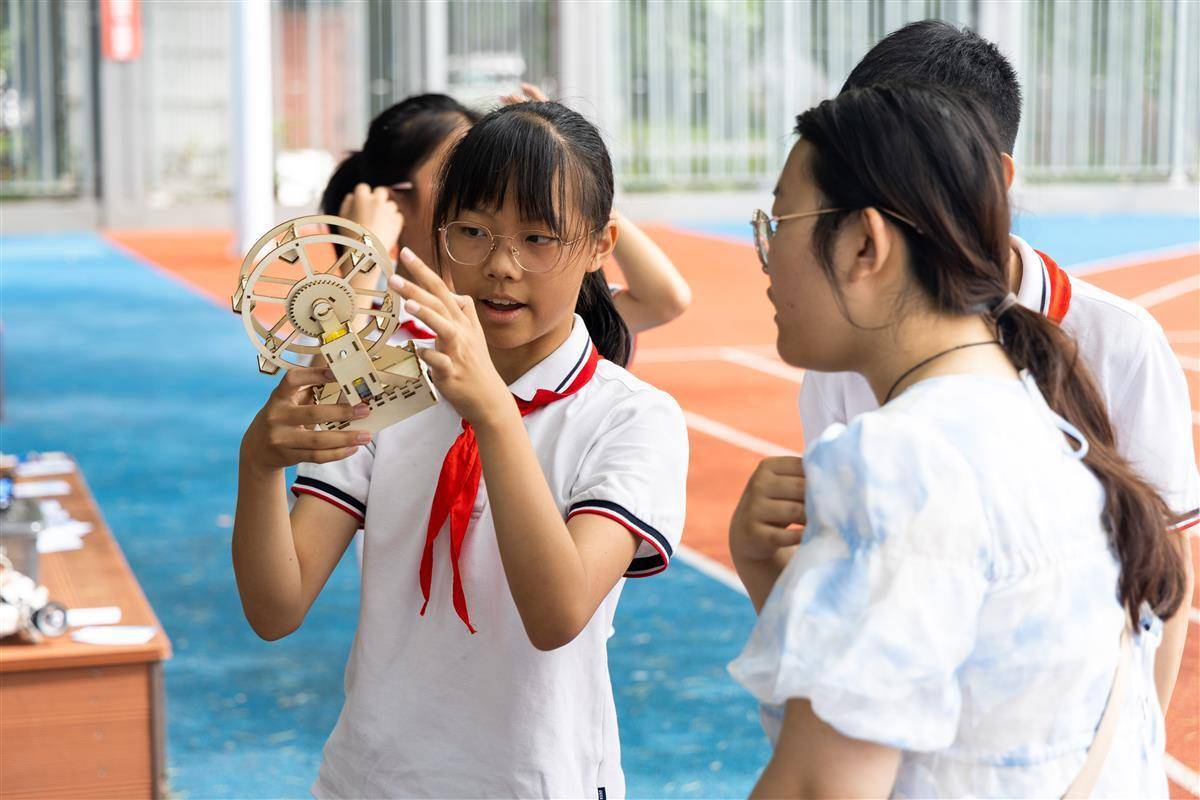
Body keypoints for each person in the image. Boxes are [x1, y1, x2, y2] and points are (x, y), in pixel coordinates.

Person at [727, 84, 1187, 798]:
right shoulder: (1047, 418)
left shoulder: (901, 461)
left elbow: (820, 786)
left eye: (778, 220)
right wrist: (771, 579)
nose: (766, 255)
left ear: (863, 244)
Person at [232, 100, 689, 799]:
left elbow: (557, 613)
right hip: (370, 780)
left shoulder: (630, 417)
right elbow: (276, 608)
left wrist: (492, 413)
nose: (502, 265)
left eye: (540, 239)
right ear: (440, 235)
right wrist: (258, 465)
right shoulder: (390, 378)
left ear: (601, 246)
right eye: (473, 232)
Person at [785, 20, 1197, 711]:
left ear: (997, 175)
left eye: (912, 165)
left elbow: (1163, 578)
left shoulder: (1119, 343)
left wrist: (1137, 761)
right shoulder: (839, 360)